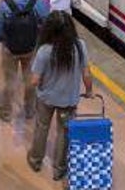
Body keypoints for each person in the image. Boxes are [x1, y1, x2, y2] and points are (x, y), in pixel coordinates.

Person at [26, 12, 93, 181]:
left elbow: (34, 80)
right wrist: (89, 91)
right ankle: (59, 169)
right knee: (64, 133)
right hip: (69, 100)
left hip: (46, 98)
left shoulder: (44, 51)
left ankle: (35, 160)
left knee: (42, 127)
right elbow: (87, 74)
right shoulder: (80, 46)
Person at [0, 0, 50, 121]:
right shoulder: (39, 3)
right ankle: (30, 110)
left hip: (10, 49)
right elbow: (46, 24)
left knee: (10, 80)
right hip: (31, 48)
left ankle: (5, 111)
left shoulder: (5, 6)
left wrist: (6, 40)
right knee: (30, 79)